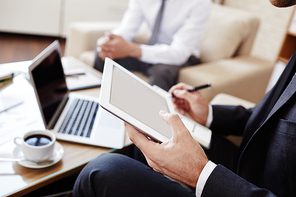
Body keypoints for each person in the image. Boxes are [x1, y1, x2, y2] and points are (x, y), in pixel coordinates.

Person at [73, 0, 296, 196]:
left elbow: (177, 52)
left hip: (248, 187)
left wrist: (200, 173)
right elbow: (267, 117)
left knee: (99, 172)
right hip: (249, 160)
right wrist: (209, 113)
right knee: (155, 133)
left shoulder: (197, 3)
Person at [93, 0, 212, 91]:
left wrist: (131, 49)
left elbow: (178, 52)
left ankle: (152, 121)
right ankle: (98, 106)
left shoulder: (200, 2)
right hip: (151, 49)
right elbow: (126, 29)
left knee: (160, 73)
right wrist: (109, 42)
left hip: (181, 56)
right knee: (104, 54)